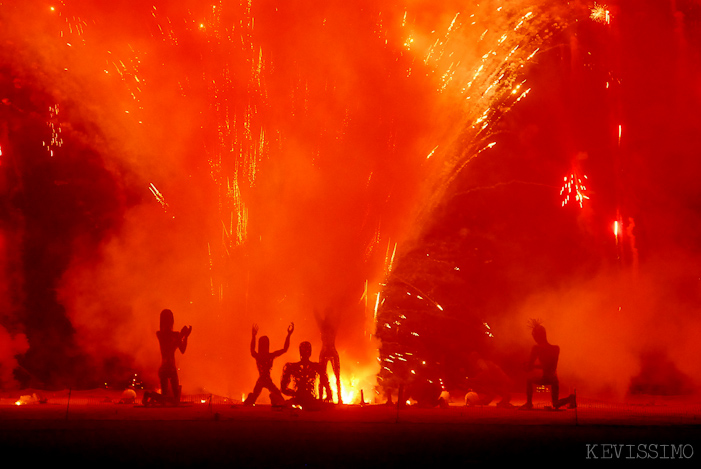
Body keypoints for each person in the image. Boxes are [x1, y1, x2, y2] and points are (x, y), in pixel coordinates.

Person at [520, 319, 576, 410]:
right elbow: (548, 365)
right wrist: (534, 366)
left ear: (536, 336)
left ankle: (529, 403)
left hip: (545, 378)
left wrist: (526, 366)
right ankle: (571, 398)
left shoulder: (536, 348)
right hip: (554, 379)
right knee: (555, 403)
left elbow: (529, 368)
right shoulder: (556, 348)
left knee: (529, 380)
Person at [144, 309, 191, 406]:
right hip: (169, 368)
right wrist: (183, 336)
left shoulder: (162, 334)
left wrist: (185, 336)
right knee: (173, 400)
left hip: (166, 367)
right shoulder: (163, 335)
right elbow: (171, 349)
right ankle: (150, 395)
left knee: (167, 398)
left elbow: (181, 350)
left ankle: (150, 395)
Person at [244, 323, 294, 406]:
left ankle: (251, 401)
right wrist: (289, 335)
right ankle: (250, 401)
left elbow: (252, 349)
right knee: (277, 396)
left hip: (264, 380)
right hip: (264, 380)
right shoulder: (268, 356)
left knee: (255, 396)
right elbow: (285, 349)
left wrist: (254, 336)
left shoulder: (261, 356)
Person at [281, 341, 330, 410]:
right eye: (303, 350)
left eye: (307, 350)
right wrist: (295, 394)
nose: (305, 352)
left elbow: (326, 383)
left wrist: (328, 395)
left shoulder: (316, 367)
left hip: (310, 400)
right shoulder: (291, 367)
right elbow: (283, 388)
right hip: (299, 400)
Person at [316, 308, 342, 404]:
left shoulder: (329, 327)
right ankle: (321, 397)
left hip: (328, 351)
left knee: (336, 376)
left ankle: (339, 397)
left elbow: (338, 318)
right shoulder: (326, 327)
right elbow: (317, 317)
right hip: (327, 351)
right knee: (323, 376)